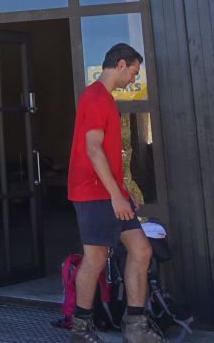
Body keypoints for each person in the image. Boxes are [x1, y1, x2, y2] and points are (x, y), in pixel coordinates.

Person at [67, 43, 161, 343]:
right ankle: (81, 329)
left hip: (109, 193)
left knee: (142, 249)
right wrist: (115, 195)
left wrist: (123, 192)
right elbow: (93, 149)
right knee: (94, 259)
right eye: (133, 72)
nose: (133, 79)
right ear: (120, 64)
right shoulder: (94, 98)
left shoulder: (105, 99)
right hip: (92, 194)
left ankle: (135, 326)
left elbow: (104, 153)